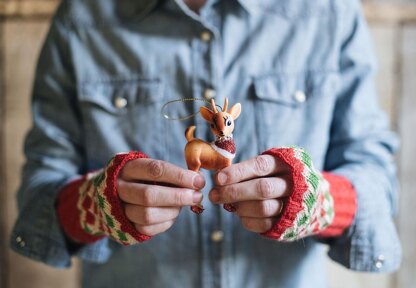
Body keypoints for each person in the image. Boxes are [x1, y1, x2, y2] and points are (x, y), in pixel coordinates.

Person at [10, 0, 401, 287]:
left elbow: (376, 175)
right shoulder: (82, 19)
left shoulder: (328, 13)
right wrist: (96, 205)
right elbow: (37, 197)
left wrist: (321, 201)